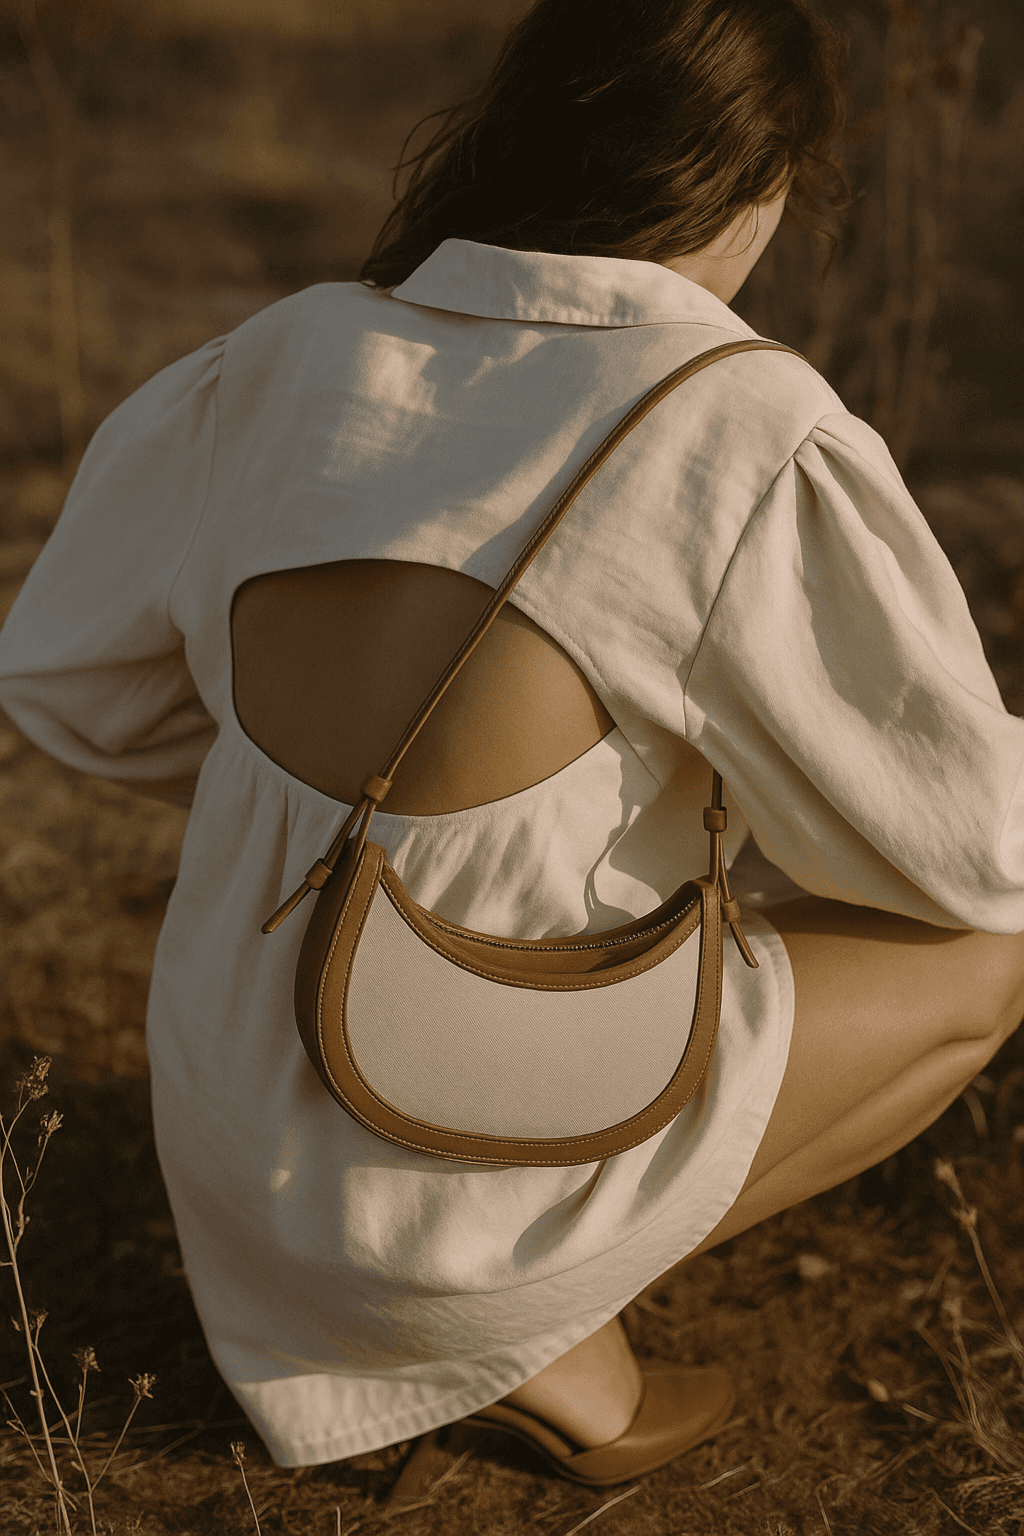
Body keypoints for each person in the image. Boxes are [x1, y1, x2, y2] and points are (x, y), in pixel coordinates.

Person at [2, 0, 1023, 1498]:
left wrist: (312, 800)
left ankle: (447, 1292)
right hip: (422, 1213)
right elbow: (977, 848)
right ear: (758, 182)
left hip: (227, 1140)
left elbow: (64, 676)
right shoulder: (734, 420)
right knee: (987, 956)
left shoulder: (287, 352)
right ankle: (530, 1329)